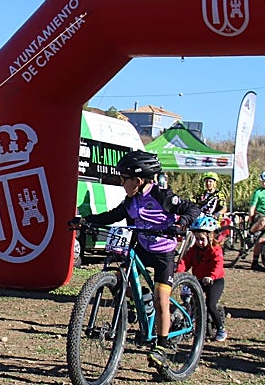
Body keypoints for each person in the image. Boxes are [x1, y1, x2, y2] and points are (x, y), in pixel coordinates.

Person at [76, 150, 200, 368]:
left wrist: (182, 224)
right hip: (141, 247)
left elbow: (192, 208)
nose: (121, 182)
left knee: (162, 299)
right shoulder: (131, 200)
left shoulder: (162, 196)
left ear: (139, 180)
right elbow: (113, 215)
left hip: (163, 252)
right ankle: (142, 300)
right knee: (119, 277)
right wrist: (85, 221)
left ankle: (161, 346)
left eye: (124, 179)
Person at [177, 214, 227, 341]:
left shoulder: (215, 250)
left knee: (210, 305)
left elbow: (218, 265)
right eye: (197, 239)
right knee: (193, 303)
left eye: (202, 239)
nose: (199, 242)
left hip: (215, 281)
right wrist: (179, 272)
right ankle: (192, 325)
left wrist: (211, 276)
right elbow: (186, 261)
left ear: (210, 237)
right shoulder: (194, 250)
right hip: (198, 280)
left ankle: (221, 328)